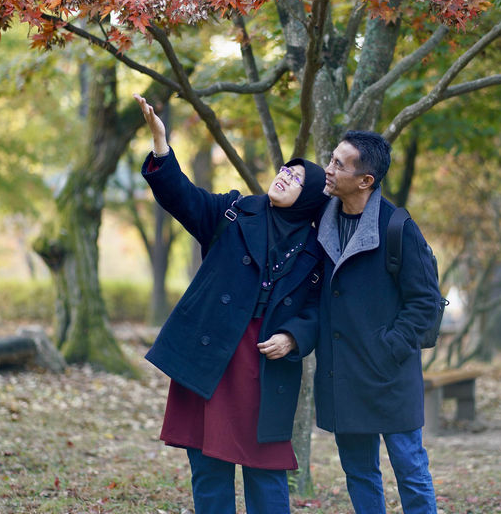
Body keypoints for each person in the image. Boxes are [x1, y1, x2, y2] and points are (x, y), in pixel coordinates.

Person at [133, 94, 328, 514]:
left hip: (264, 361)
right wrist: (161, 144)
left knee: (266, 471)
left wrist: (293, 338)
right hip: (211, 352)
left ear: (310, 195)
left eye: (295, 178)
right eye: (283, 170)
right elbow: (182, 197)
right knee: (208, 466)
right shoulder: (234, 212)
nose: (283, 177)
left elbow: (318, 311)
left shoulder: (318, 249)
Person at [314, 130, 440, 514]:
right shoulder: (321, 221)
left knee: (410, 470)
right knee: (359, 473)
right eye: (331, 159)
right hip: (343, 374)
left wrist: (389, 347)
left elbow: (426, 303)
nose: (329, 169)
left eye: (339, 163)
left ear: (366, 180)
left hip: (390, 375)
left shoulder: (398, 227)